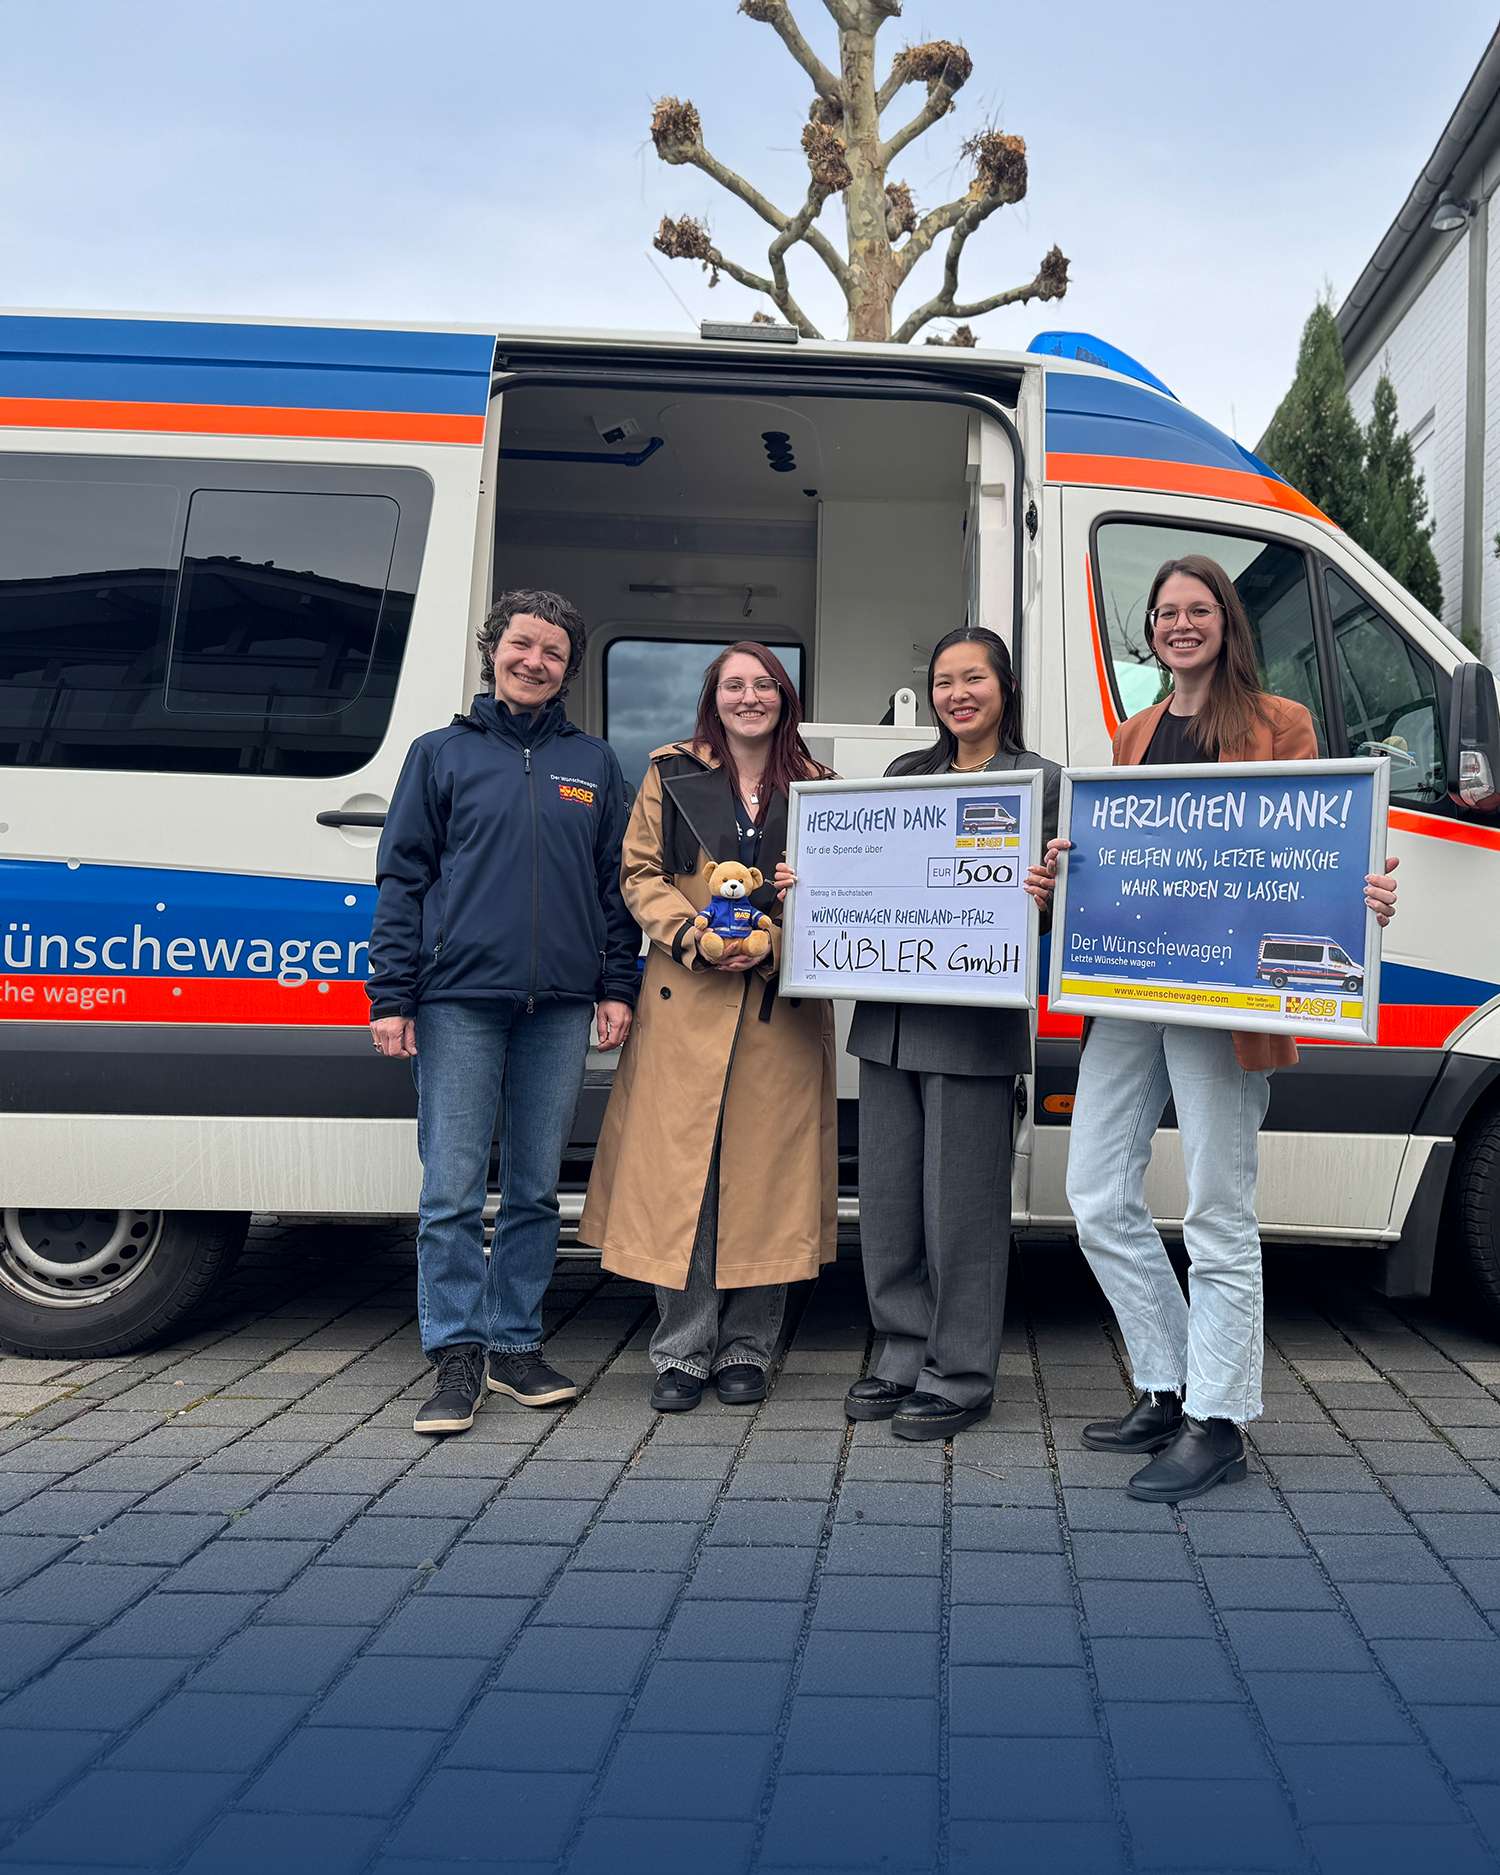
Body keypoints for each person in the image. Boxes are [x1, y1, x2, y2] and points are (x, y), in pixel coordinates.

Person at [1026, 554, 1398, 1501]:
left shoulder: (1280, 722)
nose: (1180, 624)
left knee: (1217, 1210)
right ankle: (1168, 1381)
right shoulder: (1135, 730)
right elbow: (1124, 856)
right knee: (1094, 1192)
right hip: (1132, 991)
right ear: (1150, 631)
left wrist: (1362, 896)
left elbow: (1316, 845)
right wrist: (1063, 876)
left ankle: (1219, 1420)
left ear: (1227, 622)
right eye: (1165, 612)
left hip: (1224, 1002)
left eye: (1198, 609)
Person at [367, 589, 638, 1436]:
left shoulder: (594, 764)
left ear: (568, 668)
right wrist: (391, 995)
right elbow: (401, 879)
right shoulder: (439, 754)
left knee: (532, 1191)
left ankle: (515, 1344)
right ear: (493, 651)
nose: (535, 661)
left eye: (553, 651)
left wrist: (618, 986)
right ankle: (456, 1353)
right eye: (522, 644)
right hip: (457, 1003)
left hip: (559, 1007)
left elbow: (616, 887)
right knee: (451, 1190)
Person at [780, 626, 1060, 1441]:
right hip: (889, 1024)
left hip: (974, 1029)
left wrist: (1047, 897)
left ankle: (961, 1373)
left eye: (974, 678)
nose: (957, 694)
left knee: (963, 1211)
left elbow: (1059, 909)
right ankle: (902, 1351)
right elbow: (865, 873)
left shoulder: (1040, 782)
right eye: (944, 681)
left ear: (1006, 687)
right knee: (892, 1202)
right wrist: (810, 881)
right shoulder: (907, 774)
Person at [578, 643, 837, 1412]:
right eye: (734, 685)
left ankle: (748, 1347)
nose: (749, 697)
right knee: (683, 1176)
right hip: (685, 998)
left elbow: (841, 890)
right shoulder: (668, 772)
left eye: (764, 684)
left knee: (768, 1177)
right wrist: (697, 935)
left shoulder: (823, 787)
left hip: (780, 1007)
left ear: (785, 696)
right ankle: (682, 1350)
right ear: (713, 698)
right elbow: (639, 874)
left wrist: (774, 941)